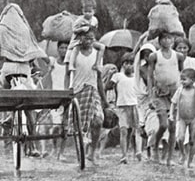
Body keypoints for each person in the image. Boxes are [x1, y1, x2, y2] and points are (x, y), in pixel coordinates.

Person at [64, 26, 106, 164]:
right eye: (85, 38)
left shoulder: (97, 54)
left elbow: (99, 77)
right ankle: (80, 151)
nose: (87, 41)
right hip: (77, 91)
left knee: (98, 120)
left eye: (90, 38)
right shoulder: (73, 52)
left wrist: (104, 99)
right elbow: (67, 74)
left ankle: (92, 152)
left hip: (93, 91)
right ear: (79, 38)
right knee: (78, 125)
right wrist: (66, 93)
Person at [147, 29, 185, 165]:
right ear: (159, 40)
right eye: (164, 38)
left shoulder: (178, 56)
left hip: (174, 93)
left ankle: (169, 157)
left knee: (172, 126)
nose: (166, 41)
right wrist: (151, 96)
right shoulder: (154, 56)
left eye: (169, 38)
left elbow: (182, 73)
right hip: (159, 93)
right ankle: (155, 146)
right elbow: (150, 76)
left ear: (173, 40)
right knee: (163, 124)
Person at [108, 54, 142, 164]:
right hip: (122, 106)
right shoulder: (118, 76)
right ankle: (123, 156)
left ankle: (137, 152)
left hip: (134, 105)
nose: (129, 66)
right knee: (123, 130)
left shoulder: (137, 76)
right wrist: (109, 76)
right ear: (123, 64)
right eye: (126, 63)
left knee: (134, 130)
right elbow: (107, 86)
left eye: (131, 63)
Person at [169, 68, 195, 168]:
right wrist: (171, 114)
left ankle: (190, 160)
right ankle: (182, 153)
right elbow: (173, 103)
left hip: (193, 118)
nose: (182, 81)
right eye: (181, 79)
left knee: (192, 140)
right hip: (181, 118)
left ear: (193, 80)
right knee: (180, 138)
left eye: (184, 79)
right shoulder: (180, 91)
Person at [40, 41, 70, 159]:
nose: (64, 50)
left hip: (65, 96)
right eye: (61, 48)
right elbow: (43, 58)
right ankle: (54, 148)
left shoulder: (70, 64)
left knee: (65, 126)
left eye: (66, 48)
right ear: (58, 49)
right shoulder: (52, 61)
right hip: (53, 96)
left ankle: (61, 153)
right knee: (55, 126)